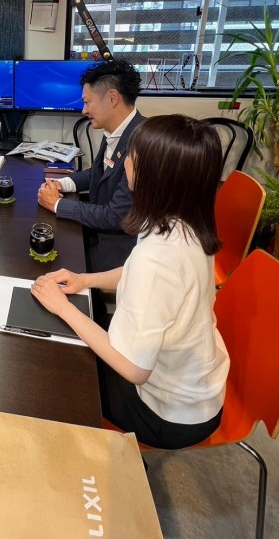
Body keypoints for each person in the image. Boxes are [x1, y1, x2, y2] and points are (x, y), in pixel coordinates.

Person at [31, 115, 229, 449]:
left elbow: (135, 369)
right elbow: (135, 270)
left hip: (167, 415)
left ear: (156, 175)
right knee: (83, 329)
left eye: (131, 158)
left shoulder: (160, 257)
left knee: (55, 372)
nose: (125, 165)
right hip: (196, 387)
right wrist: (84, 280)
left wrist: (63, 308)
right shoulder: (184, 222)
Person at [37, 59, 144, 272]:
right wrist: (61, 185)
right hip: (98, 229)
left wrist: (57, 205)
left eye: (87, 102)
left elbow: (115, 217)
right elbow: (97, 173)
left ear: (112, 98)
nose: (83, 110)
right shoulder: (114, 131)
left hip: (119, 247)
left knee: (51, 260)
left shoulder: (144, 143)